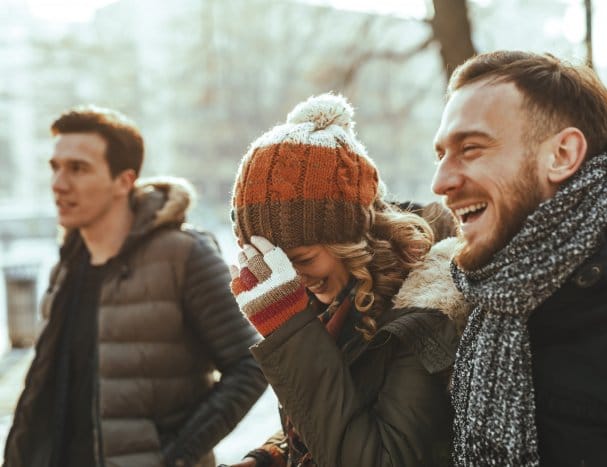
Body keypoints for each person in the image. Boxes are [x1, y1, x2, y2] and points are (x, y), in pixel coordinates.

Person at [430, 50, 607, 466]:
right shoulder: (492, 307)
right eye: (440, 155)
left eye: (471, 148)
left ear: (562, 155)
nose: (441, 181)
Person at [3, 106, 268, 467]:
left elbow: (252, 364)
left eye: (78, 168)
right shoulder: (69, 263)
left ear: (124, 181)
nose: (58, 183)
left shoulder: (183, 255)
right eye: (55, 167)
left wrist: (177, 455)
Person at [221, 93, 461, 467]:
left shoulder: (422, 311)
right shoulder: (330, 301)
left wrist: (289, 332)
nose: (292, 281)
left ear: (352, 238)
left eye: (302, 259)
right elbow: (329, 416)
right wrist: (270, 457)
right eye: (275, 265)